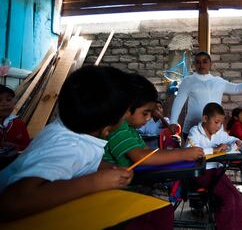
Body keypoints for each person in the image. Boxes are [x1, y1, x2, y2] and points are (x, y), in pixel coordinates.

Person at [0, 66, 136, 222]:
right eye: (126, 113)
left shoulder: (64, 128)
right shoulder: (69, 147)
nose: (127, 115)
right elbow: (12, 203)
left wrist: (108, 169)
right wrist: (95, 182)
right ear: (106, 129)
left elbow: (81, 161)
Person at [103, 73, 204, 169]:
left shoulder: (131, 129)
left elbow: (148, 152)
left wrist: (174, 152)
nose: (148, 118)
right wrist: (182, 154)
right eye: (145, 113)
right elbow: (141, 157)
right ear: (127, 107)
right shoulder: (118, 128)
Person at [170, 51, 242, 139]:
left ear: (210, 64)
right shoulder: (188, 81)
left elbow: (237, 88)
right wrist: (173, 121)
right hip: (193, 127)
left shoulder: (218, 81)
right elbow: (179, 101)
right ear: (194, 65)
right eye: (198, 62)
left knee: (215, 155)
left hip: (215, 129)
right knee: (195, 156)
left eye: (205, 61)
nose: (201, 64)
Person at [187, 102, 242, 230]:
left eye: (221, 123)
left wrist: (236, 141)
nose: (219, 126)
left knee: (237, 198)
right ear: (205, 119)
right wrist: (214, 150)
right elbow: (189, 151)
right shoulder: (195, 132)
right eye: (216, 122)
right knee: (228, 199)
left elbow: (230, 139)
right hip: (200, 173)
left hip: (217, 171)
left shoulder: (219, 133)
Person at [0, 85, 30, 151]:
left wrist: (16, 147)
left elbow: (27, 146)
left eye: (9, 100)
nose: (5, 104)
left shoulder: (19, 123)